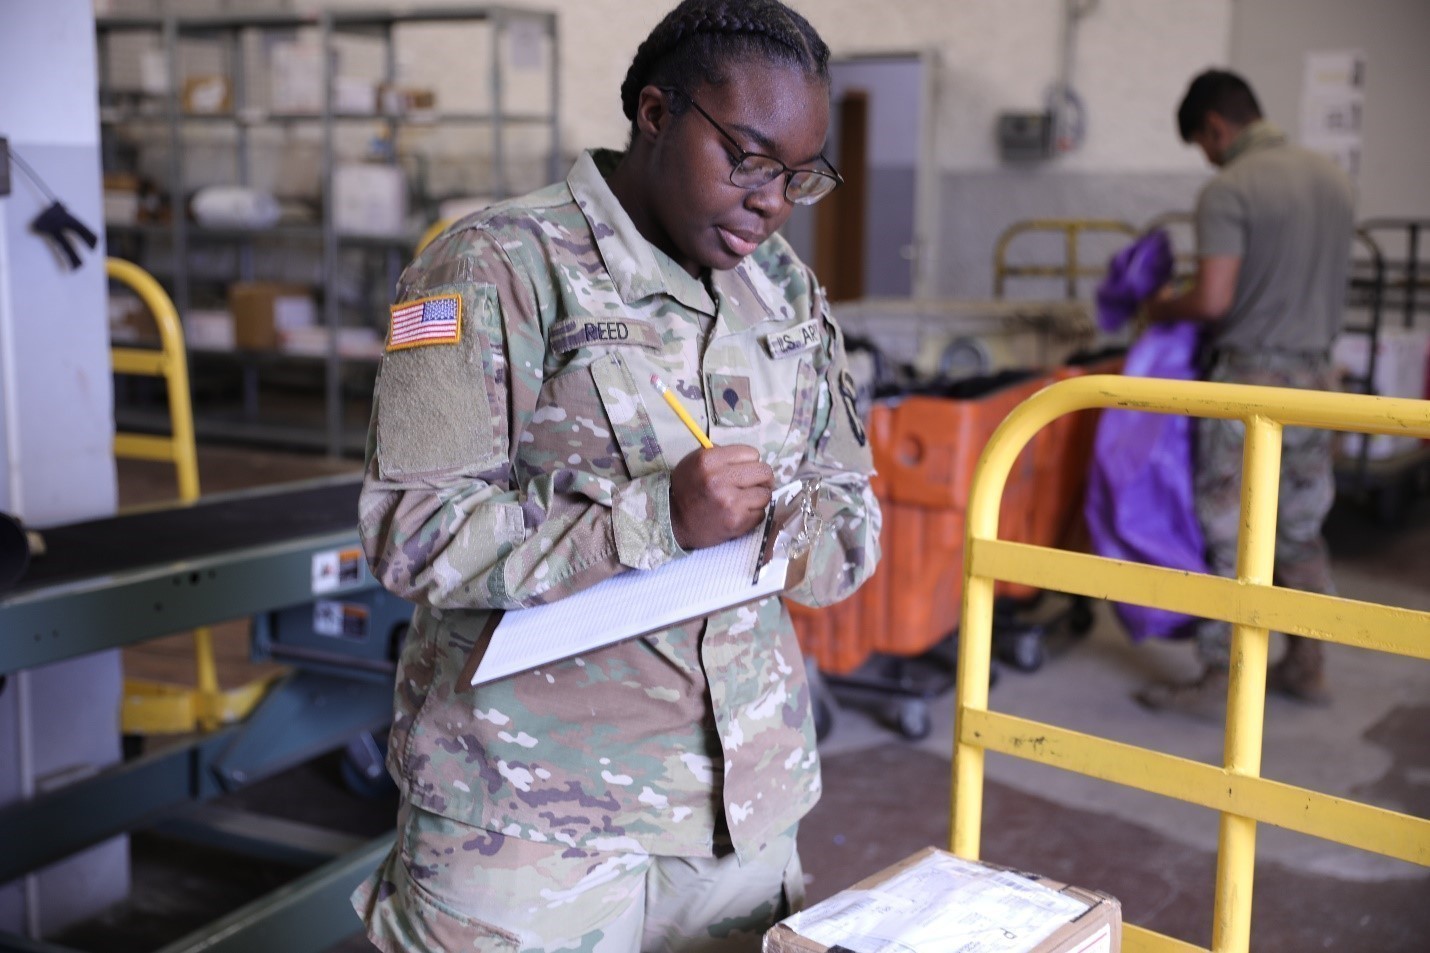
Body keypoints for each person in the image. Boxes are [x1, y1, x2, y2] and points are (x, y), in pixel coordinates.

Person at [350, 1, 882, 950]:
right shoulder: (495, 267)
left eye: (802, 176)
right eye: (751, 160)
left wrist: (788, 538)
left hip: (735, 815)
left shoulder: (786, 292)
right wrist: (655, 522)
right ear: (654, 113)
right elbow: (412, 531)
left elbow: (852, 526)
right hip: (527, 820)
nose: (774, 200)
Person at [1136, 69, 1355, 717]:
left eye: (1204, 145)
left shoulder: (1231, 188)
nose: (1208, 157)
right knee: (1302, 528)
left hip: (1252, 385)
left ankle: (1221, 679)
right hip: (1321, 383)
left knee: (1227, 532)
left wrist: (1159, 306)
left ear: (1215, 127)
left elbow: (1213, 299)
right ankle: (1309, 665)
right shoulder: (1334, 180)